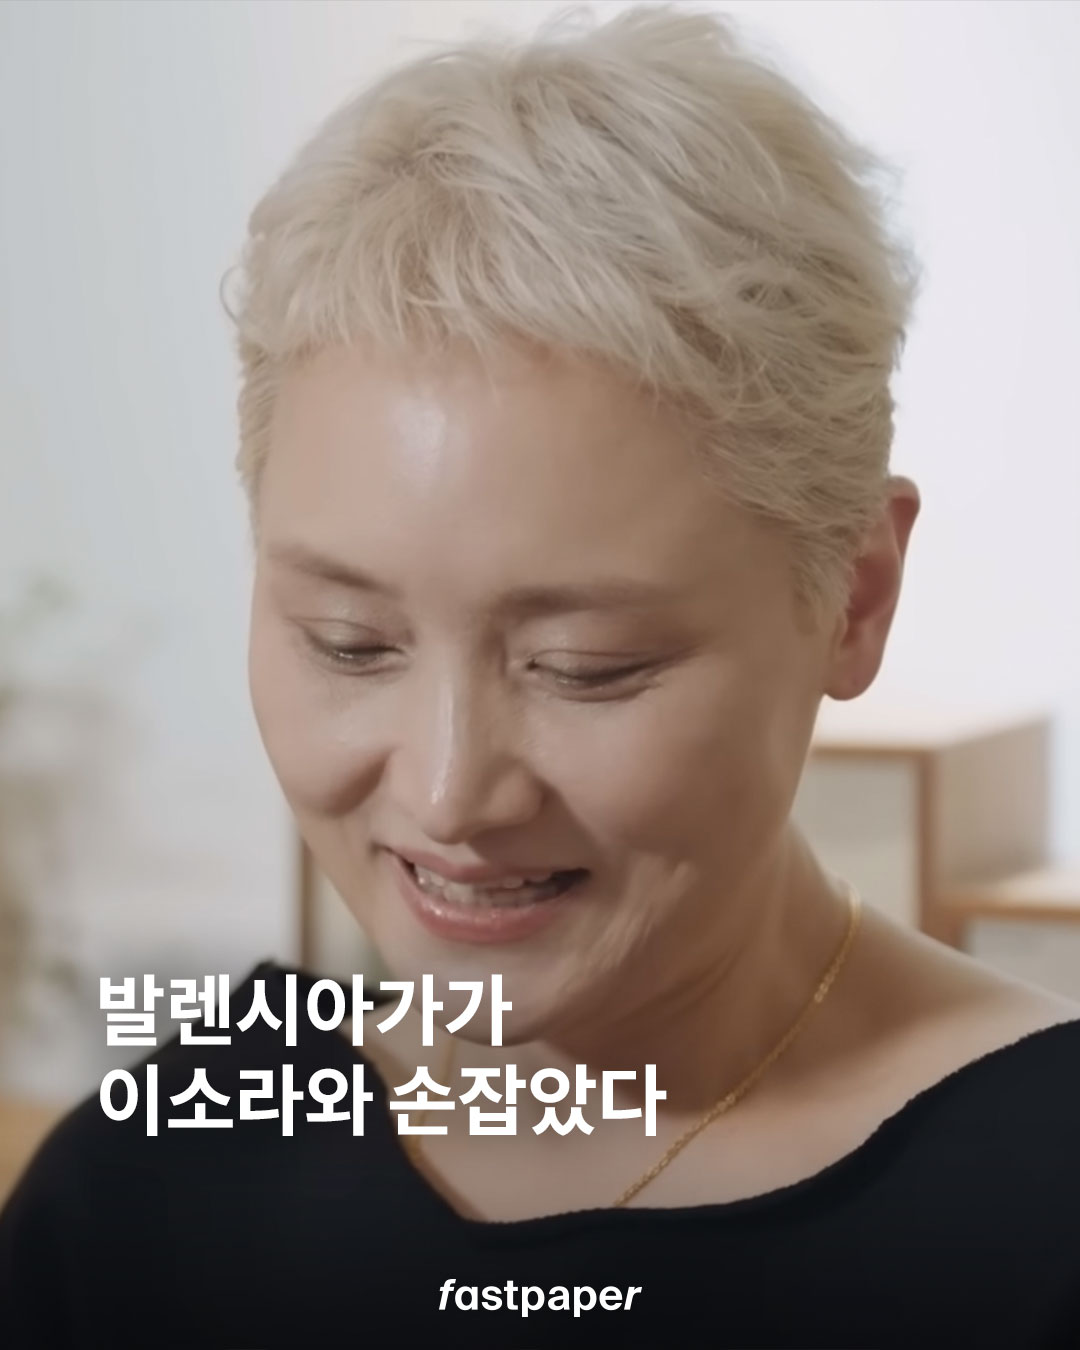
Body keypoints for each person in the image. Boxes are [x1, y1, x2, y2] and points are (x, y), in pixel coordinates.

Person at [3, 4, 1080, 1346]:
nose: (449, 792)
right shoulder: (142, 1198)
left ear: (853, 598)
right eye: (350, 642)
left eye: (585, 668)